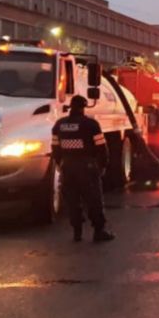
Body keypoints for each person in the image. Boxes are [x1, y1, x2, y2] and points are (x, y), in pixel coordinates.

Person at [52, 95, 115, 243]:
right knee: (94, 199)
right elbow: (101, 147)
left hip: (67, 166)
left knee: (72, 200)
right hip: (87, 167)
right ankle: (99, 231)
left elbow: (55, 148)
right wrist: (103, 166)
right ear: (83, 107)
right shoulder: (90, 124)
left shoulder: (59, 124)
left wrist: (60, 164)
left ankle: (77, 232)